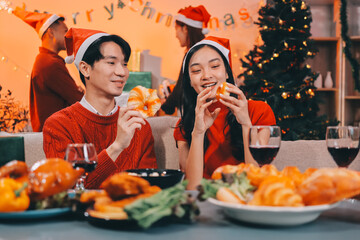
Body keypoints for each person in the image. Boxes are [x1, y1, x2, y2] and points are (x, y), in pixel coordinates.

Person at [43, 28, 157, 189]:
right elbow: (66, 189)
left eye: (124, 64)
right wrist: (117, 147)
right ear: (85, 68)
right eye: (111, 63)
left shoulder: (138, 126)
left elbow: (149, 188)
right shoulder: (59, 125)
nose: (122, 72)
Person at [174, 36, 276, 189]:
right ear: (189, 81)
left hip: (245, 198)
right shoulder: (184, 124)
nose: (206, 75)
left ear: (227, 73)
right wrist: (198, 132)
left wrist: (246, 124)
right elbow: (192, 187)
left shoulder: (259, 110)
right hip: (206, 200)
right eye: (196, 70)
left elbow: (256, 174)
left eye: (214, 66)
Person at [13, 8, 84, 132]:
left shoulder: (45, 60)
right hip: (55, 134)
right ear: (51, 32)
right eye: (65, 31)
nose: (69, 36)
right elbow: (79, 100)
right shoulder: (50, 64)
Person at [160, 5, 211, 115]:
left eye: (176, 29)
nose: (176, 35)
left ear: (185, 28)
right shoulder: (206, 49)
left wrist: (166, 106)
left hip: (193, 115)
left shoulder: (193, 53)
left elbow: (182, 86)